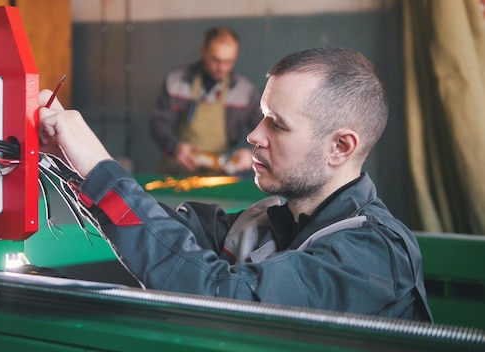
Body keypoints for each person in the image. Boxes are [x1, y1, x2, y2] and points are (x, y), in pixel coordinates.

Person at [38, 47, 433, 321]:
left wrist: (100, 166)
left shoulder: (372, 255)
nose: (254, 135)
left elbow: (222, 297)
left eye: (277, 124)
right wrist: (75, 162)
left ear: (340, 147)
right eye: (262, 117)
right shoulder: (265, 219)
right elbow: (171, 238)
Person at [149, 27, 262, 175]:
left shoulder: (245, 92)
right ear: (203, 52)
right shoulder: (176, 82)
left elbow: (265, 128)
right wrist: (176, 146)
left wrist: (250, 152)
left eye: (229, 62)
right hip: (177, 173)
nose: (221, 68)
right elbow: (158, 122)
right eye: (215, 60)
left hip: (219, 178)